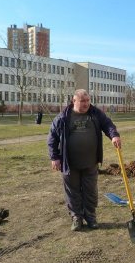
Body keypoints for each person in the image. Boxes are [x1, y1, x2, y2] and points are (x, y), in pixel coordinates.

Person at [48, 89, 121, 231]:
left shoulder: (95, 113)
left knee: (91, 191)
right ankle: (76, 218)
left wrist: (114, 135)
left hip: (90, 162)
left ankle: (91, 217)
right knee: (72, 191)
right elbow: (52, 138)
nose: (86, 104)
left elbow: (108, 124)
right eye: (83, 101)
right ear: (74, 101)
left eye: (88, 100)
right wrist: (54, 157)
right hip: (69, 163)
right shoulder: (63, 117)